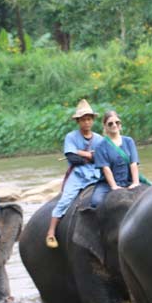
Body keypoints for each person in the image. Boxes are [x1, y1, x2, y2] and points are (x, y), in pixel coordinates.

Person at [46, 99, 102, 248]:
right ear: (78, 121)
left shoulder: (99, 139)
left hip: (97, 173)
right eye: (83, 120)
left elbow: (102, 157)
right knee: (65, 200)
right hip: (78, 174)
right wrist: (90, 156)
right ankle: (51, 232)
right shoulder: (71, 137)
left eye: (89, 119)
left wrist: (83, 153)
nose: (87, 123)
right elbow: (73, 159)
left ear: (93, 120)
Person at [88, 110, 142, 209]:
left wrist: (135, 182)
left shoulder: (129, 141)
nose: (114, 125)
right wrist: (114, 187)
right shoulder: (100, 146)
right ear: (105, 126)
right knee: (96, 202)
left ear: (120, 125)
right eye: (110, 123)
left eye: (117, 122)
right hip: (108, 184)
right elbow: (106, 169)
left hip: (128, 180)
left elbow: (133, 163)